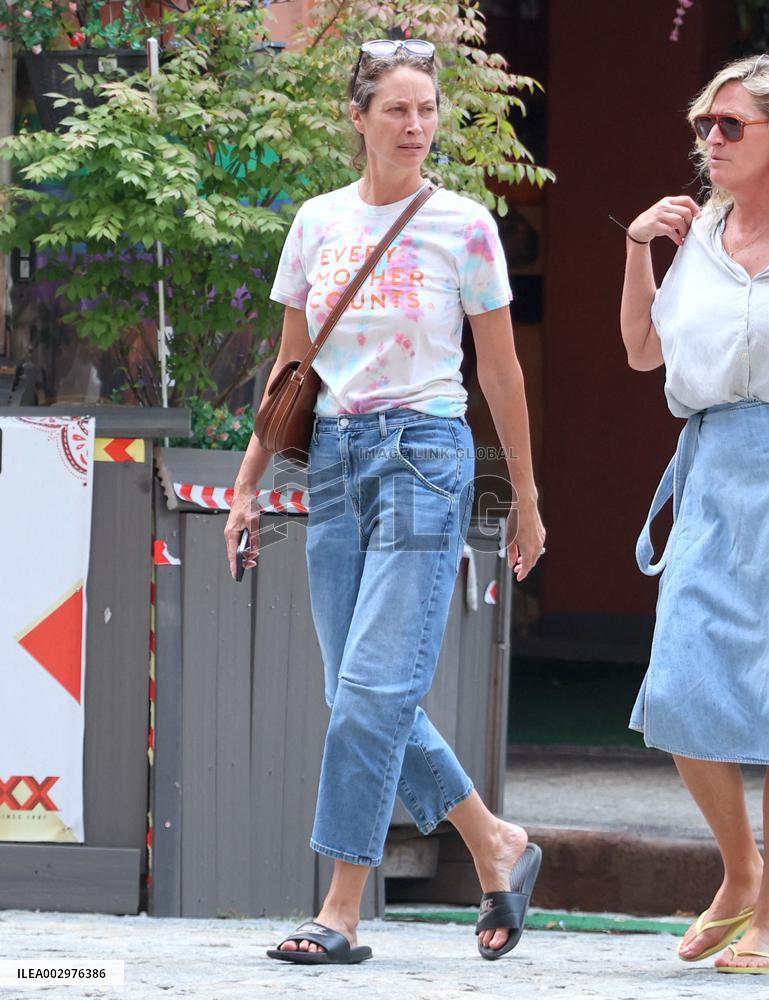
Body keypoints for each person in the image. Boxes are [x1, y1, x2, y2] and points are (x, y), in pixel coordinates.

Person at [225, 38, 545, 965]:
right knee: (353, 690)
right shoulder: (317, 222)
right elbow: (292, 368)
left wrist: (522, 496)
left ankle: (339, 910)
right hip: (332, 459)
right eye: (396, 109)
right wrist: (247, 485)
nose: (415, 125)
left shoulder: (464, 226)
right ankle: (493, 839)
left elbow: (500, 371)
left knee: (371, 689)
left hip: (423, 457)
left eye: (426, 109)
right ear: (357, 118)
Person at [620, 54, 769, 976]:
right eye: (703, 126)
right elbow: (643, 351)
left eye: (730, 125)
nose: (709, 140)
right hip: (713, 471)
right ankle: (741, 870)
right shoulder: (697, 233)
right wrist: (638, 248)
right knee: (678, 680)